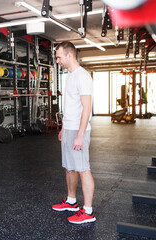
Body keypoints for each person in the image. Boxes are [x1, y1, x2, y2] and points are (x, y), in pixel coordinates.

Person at [51, 41, 96, 224]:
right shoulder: (68, 76)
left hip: (79, 130)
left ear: (69, 55)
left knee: (83, 169)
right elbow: (70, 106)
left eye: (59, 57)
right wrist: (63, 127)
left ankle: (88, 211)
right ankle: (71, 201)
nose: (57, 60)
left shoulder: (82, 77)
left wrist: (79, 134)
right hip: (69, 128)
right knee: (69, 167)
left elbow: (86, 109)